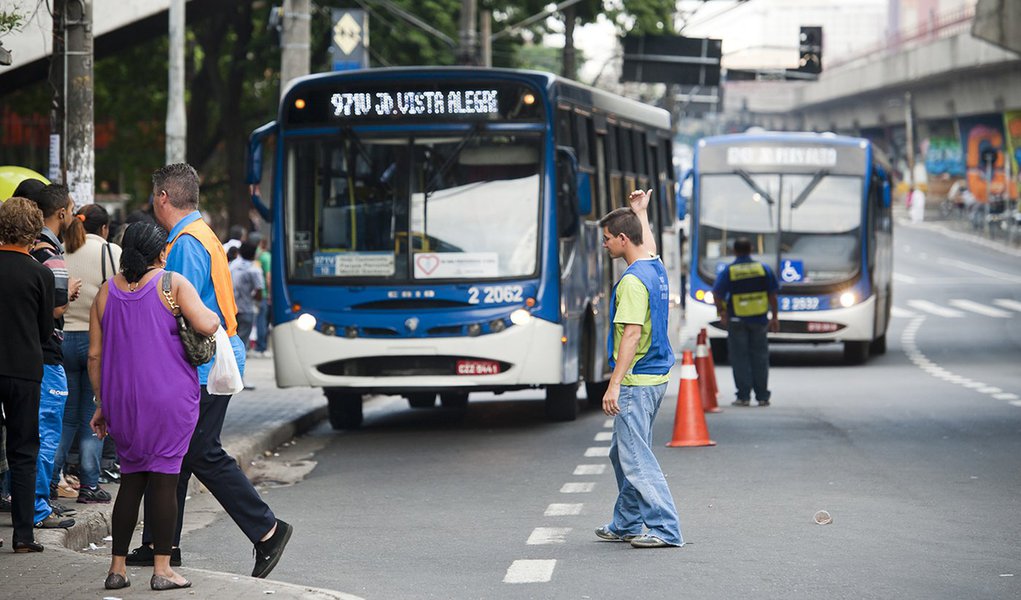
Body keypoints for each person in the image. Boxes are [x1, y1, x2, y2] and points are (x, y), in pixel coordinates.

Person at [127, 163, 292, 578]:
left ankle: (268, 531)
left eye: (153, 195)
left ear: (162, 197)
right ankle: (163, 544)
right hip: (218, 354)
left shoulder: (184, 242)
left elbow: (177, 310)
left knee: (199, 451)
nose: (152, 202)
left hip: (203, 361)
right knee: (178, 455)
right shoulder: (204, 234)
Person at [88, 222, 219, 590]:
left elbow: (95, 357)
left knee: (131, 480)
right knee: (165, 479)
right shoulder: (171, 283)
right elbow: (207, 324)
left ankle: (117, 568)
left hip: (120, 401)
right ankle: (163, 570)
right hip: (168, 398)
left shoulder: (105, 291)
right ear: (161, 252)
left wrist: (102, 403)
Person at [595, 189, 683, 549]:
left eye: (606, 240)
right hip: (655, 375)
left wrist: (614, 384)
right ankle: (628, 521)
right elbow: (645, 243)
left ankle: (665, 528)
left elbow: (631, 334)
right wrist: (641, 212)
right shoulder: (654, 268)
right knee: (624, 452)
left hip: (636, 379)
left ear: (621, 239)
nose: (604, 246)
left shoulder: (632, 281)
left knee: (636, 458)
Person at [51, 204, 122, 505]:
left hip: (62, 340)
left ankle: (50, 478)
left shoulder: (61, 250)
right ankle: (90, 484)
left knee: (65, 417)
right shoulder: (112, 253)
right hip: (97, 343)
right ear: (104, 228)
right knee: (93, 415)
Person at [0, 197, 56, 552]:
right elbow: (45, 330)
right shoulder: (40, 274)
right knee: (23, 450)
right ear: (33, 232)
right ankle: (23, 535)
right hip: (24, 371)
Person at [27, 183, 82, 530]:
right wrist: (70, 292)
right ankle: (37, 506)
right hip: (47, 356)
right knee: (47, 432)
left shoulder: (25, 249)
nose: (75, 215)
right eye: (71, 208)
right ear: (60, 213)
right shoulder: (52, 255)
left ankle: (29, 501)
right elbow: (56, 307)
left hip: (25, 355)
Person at [712, 237, 780, 407]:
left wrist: (722, 312)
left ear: (735, 251)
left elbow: (717, 293)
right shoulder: (762, 269)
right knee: (760, 358)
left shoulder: (730, 270)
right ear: (751, 249)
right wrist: (775, 317)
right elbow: (773, 295)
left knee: (740, 358)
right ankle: (762, 396)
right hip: (759, 320)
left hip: (737, 320)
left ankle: (743, 396)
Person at [230, 241, 264, 359]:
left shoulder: (232, 266)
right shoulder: (255, 270)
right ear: (254, 255)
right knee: (241, 344)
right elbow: (259, 291)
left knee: (230, 342)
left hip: (230, 309)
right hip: (246, 309)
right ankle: (238, 374)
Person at [250, 232, 272, 357]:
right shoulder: (265, 256)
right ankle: (262, 347)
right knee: (262, 321)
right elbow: (268, 277)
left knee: (255, 320)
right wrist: (269, 293)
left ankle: (254, 346)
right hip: (262, 293)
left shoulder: (254, 255)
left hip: (252, 293)